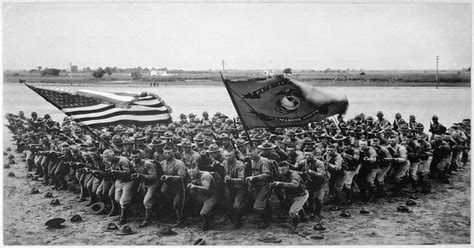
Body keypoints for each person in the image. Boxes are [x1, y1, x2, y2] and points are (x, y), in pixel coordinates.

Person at [271, 161, 308, 233]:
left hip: (301, 195)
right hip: (291, 195)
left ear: (288, 169)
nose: (281, 172)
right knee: (296, 206)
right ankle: (304, 218)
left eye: (283, 170)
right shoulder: (281, 174)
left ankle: (295, 227)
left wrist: (281, 183)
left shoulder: (294, 174)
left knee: (293, 212)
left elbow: (295, 185)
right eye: (279, 170)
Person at [131, 149, 160, 227]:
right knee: (143, 199)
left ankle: (147, 220)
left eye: (136, 157)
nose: (134, 159)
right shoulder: (133, 164)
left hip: (153, 183)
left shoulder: (147, 164)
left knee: (146, 201)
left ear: (141, 157)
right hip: (144, 183)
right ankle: (149, 215)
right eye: (133, 157)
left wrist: (141, 176)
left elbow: (154, 176)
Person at [105, 149, 135, 225]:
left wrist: (115, 172)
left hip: (128, 181)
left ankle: (123, 217)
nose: (106, 159)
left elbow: (128, 173)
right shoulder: (111, 161)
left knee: (124, 200)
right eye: (105, 157)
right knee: (117, 199)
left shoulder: (123, 160)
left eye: (108, 157)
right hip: (119, 180)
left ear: (114, 155)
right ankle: (124, 212)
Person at [160, 144, 187, 226]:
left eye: (169, 153)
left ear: (174, 153)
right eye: (165, 153)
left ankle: (179, 221)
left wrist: (169, 177)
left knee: (177, 204)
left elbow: (182, 177)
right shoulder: (162, 163)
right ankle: (171, 217)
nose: (167, 155)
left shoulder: (179, 163)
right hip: (168, 187)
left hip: (179, 186)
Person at [246, 147, 272, 229]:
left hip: (264, 185)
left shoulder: (263, 161)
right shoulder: (252, 160)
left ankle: (265, 222)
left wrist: (255, 177)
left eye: (252, 154)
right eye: (248, 154)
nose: (250, 156)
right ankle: (268, 217)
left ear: (257, 153)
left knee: (258, 206)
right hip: (256, 186)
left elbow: (267, 174)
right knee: (264, 202)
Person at [187, 162, 218, 230]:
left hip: (211, 196)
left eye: (193, 172)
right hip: (202, 195)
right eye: (190, 172)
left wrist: (195, 186)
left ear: (198, 169)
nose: (191, 174)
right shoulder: (194, 175)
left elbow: (207, 188)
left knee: (203, 213)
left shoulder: (205, 175)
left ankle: (208, 223)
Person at [222, 149, 247, 229]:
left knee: (237, 205)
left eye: (230, 156)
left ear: (234, 156)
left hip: (239, 188)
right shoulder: (224, 163)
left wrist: (231, 179)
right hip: (229, 187)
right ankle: (231, 218)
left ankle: (237, 221)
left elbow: (242, 180)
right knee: (229, 203)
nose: (227, 157)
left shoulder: (240, 165)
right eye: (226, 156)